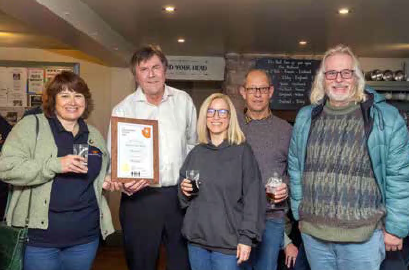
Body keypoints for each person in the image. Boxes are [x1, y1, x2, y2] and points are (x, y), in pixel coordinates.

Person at [288, 44, 409, 270]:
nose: (339, 79)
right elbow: (296, 168)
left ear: (356, 77)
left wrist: (396, 229)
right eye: (331, 73)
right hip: (315, 237)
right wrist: (300, 213)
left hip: (363, 238)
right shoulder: (306, 117)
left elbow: (400, 176)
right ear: (322, 79)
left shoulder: (385, 118)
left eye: (346, 72)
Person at [0, 71, 114, 270]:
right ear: (53, 100)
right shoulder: (30, 126)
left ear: (85, 101)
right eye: (64, 95)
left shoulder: (94, 134)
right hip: (40, 240)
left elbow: (98, 174)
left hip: (85, 238)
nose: (73, 101)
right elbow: (6, 168)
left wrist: (106, 180)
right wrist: (54, 164)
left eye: (78, 95)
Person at [103, 45, 197, 270]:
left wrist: (192, 181)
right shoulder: (123, 109)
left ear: (165, 70)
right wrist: (124, 181)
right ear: (136, 75)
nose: (151, 74)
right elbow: (115, 159)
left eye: (156, 67)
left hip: (179, 198)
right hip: (139, 200)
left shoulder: (183, 101)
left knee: (182, 263)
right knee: (141, 263)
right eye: (144, 69)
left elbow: (194, 144)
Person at [178, 93, 266, 270]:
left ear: (230, 117)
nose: (215, 117)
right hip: (197, 243)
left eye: (221, 112)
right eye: (210, 111)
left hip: (228, 246)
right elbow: (183, 198)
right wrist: (184, 190)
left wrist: (246, 238)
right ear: (204, 117)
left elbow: (253, 199)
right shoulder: (196, 153)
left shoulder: (242, 152)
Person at [238, 69, 299, 270]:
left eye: (262, 89)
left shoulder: (286, 130)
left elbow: (295, 170)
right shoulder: (231, 126)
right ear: (243, 92)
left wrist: (287, 187)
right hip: (236, 217)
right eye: (252, 89)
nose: (257, 94)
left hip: (271, 219)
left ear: (271, 91)